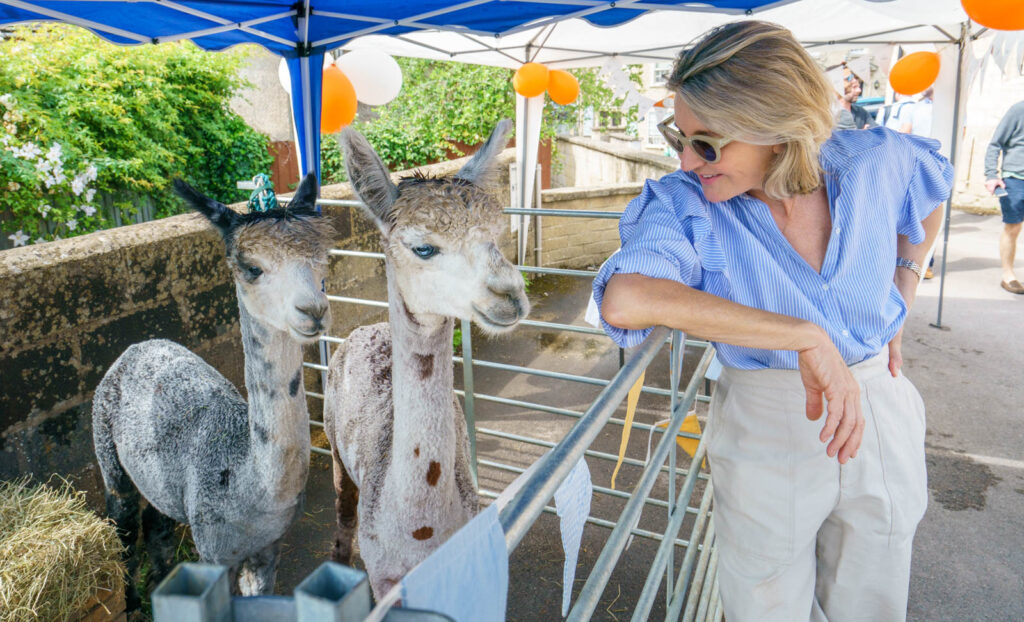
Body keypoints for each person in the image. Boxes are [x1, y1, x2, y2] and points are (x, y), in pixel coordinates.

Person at [593, 21, 952, 622]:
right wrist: (804, 337)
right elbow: (626, 298)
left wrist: (903, 289)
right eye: (677, 136)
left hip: (879, 401)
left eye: (707, 142)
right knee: (764, 604)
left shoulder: (872, 161)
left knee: (877, 595)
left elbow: (932, 189)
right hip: (768, 418)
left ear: (779, 130)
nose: (686, 159)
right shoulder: (684, 204)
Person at [984, 100, 1024, 294]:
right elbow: (995, 144)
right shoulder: (1018, 109)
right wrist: (991, 174)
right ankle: (1008, 275)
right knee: (1013, 227)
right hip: (1016, 178)